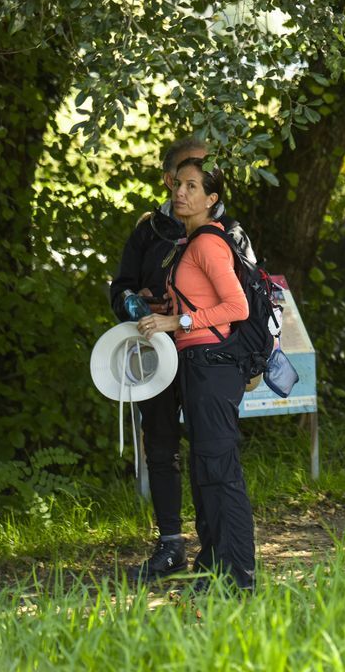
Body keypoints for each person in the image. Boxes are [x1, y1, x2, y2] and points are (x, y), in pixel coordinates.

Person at [109, 136, 254, 584]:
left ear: (211, 192)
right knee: (168, 449)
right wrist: (136, 305)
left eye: (196, 181)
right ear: (168, 177)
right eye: (180, 179)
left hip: (207, 356)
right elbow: (121, 287)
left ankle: (233, 570)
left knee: (213, 457)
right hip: (157, 353)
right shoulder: (150, 228)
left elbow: (246, 300)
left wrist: (244, 359)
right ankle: (176, 546)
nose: (182, 190)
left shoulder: (222, 232)